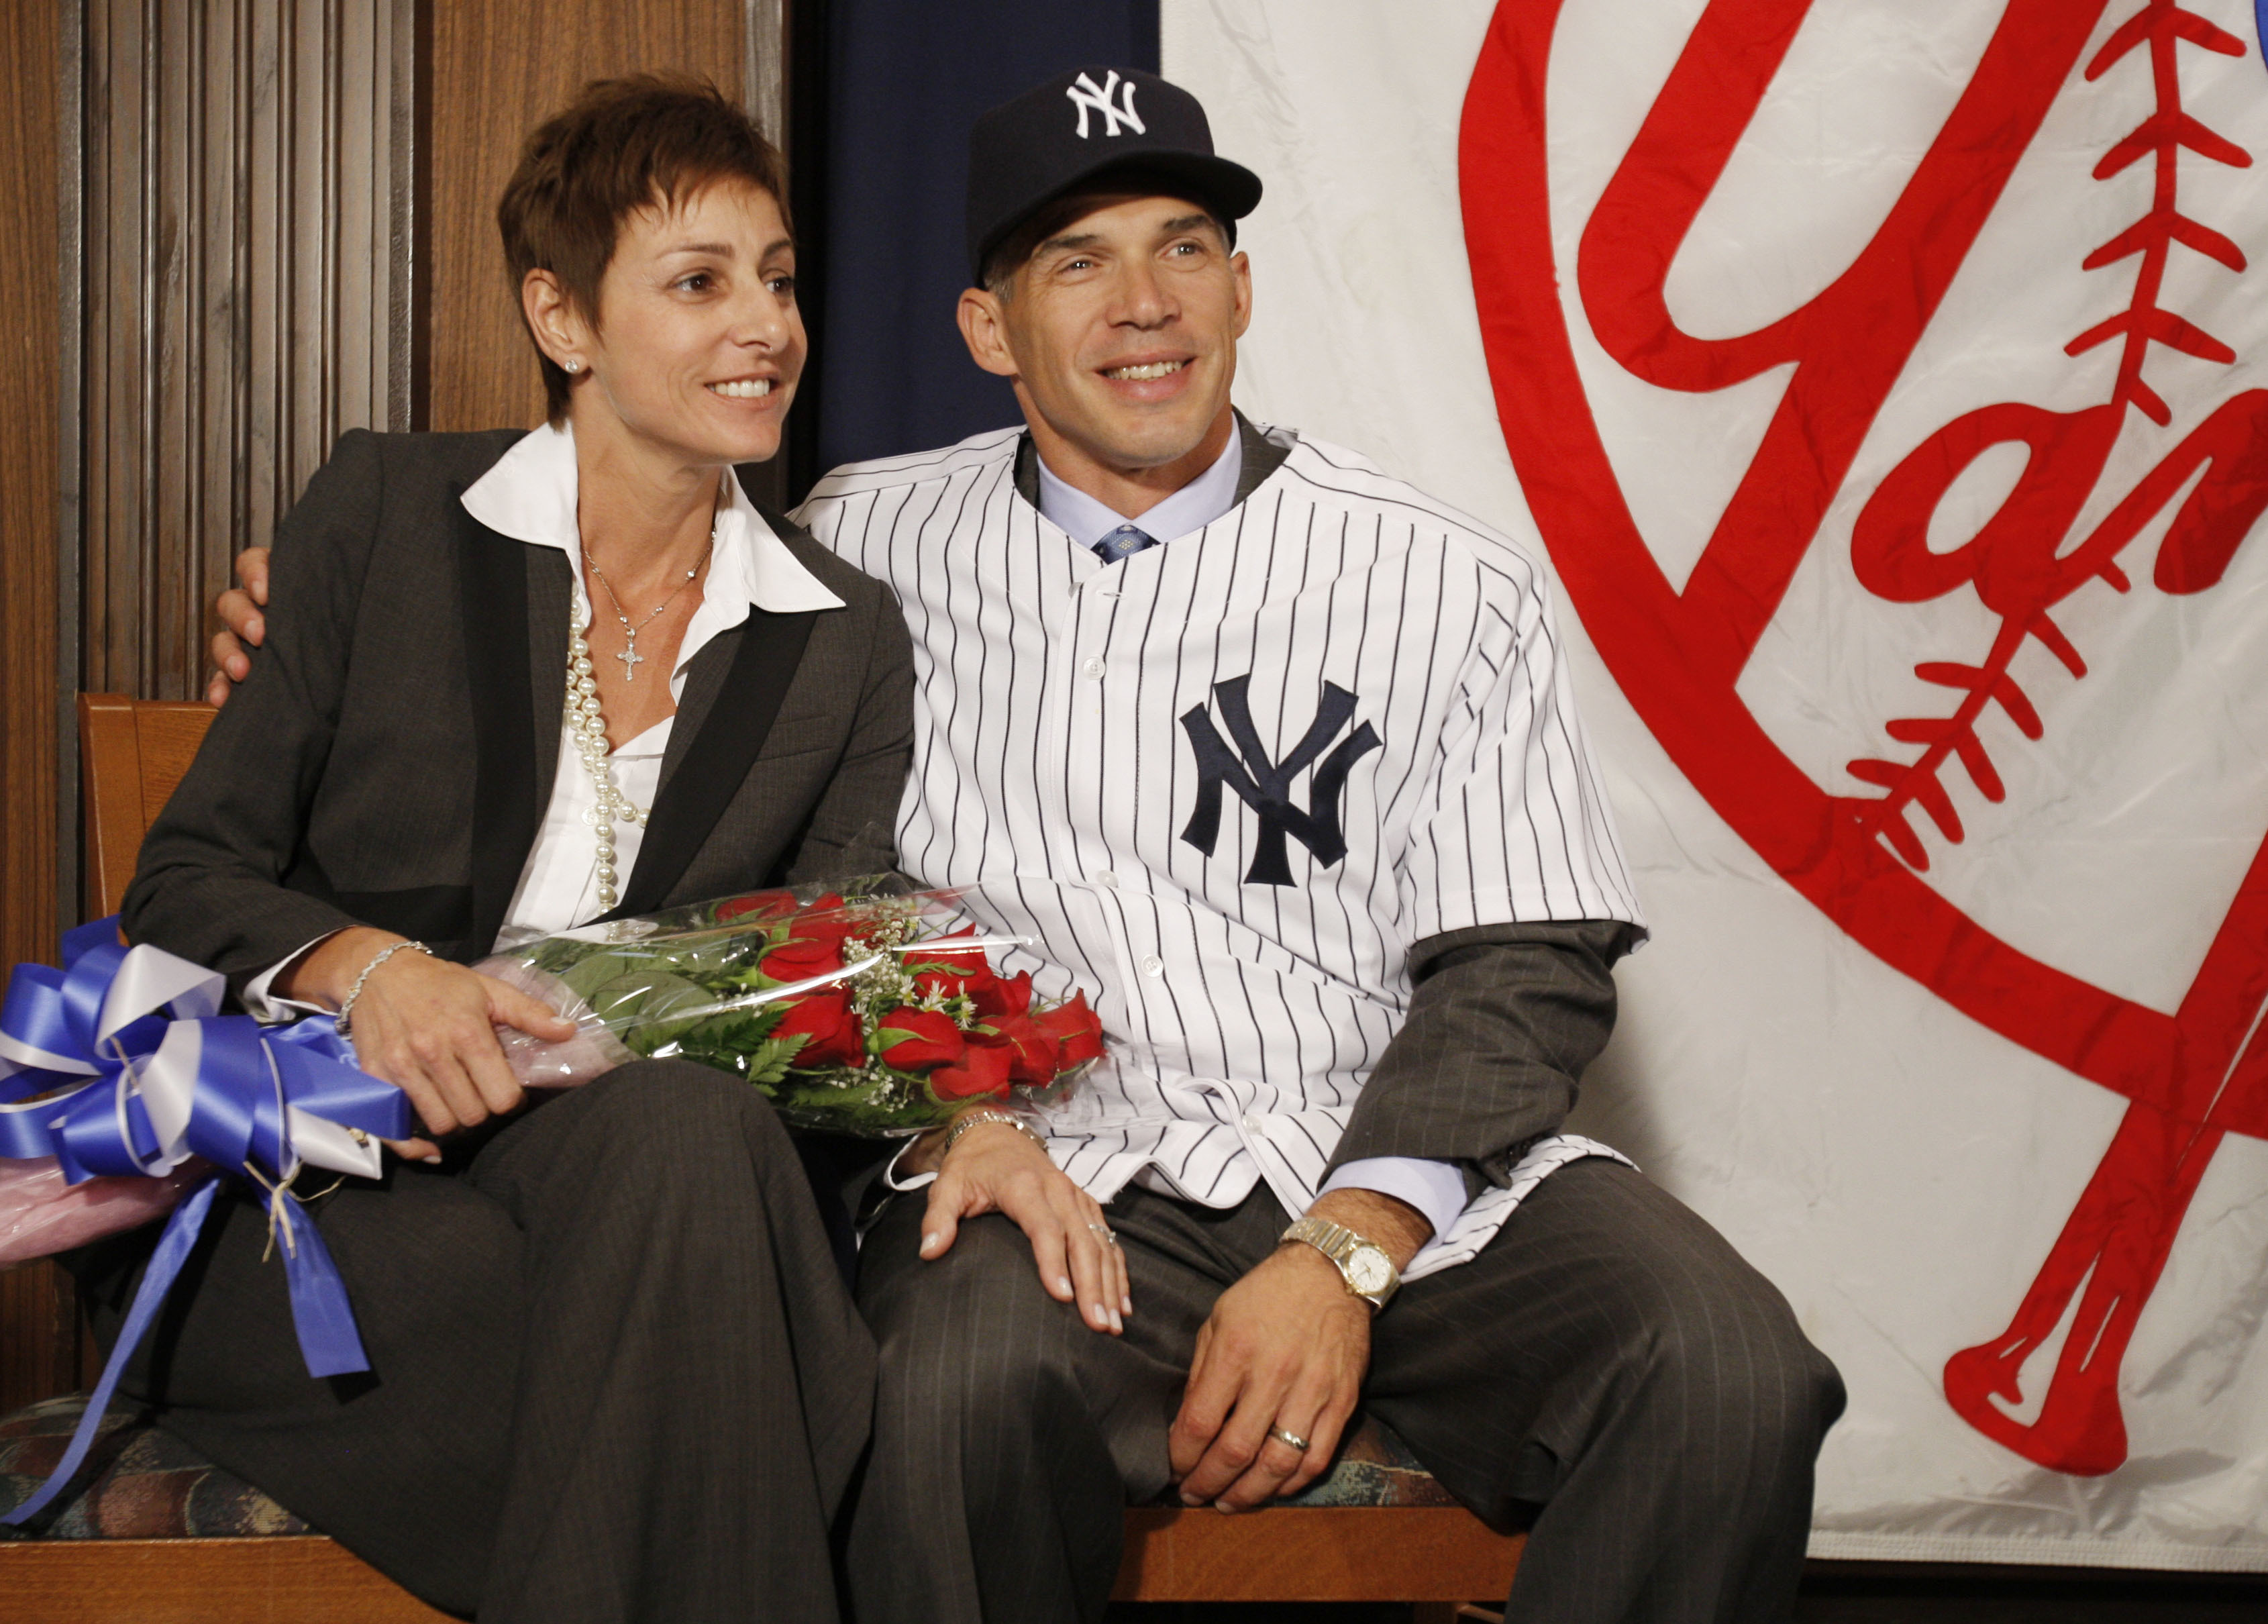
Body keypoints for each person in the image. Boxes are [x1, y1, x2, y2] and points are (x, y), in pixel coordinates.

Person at [213, 66, 1846, 1624]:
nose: (1146, 304)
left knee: (1732, 1375)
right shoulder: (855, 541)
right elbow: (609, 572)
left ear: (1242, 288)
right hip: (1049, 1169)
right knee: (947, 1399)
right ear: (987, 327)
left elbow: (1526, 960)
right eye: (1079, 260)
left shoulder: (1441, 576)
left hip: (1391, 1172)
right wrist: (312, 636)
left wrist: (1346, 1250)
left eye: (1184, 248)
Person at [85, 75, 909, 1623]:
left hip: (647, 1203)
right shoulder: (386, 515)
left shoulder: (842, 638)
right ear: (563, 316)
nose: (767, 326)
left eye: (780, 279)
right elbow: (184, 880)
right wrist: (371, 970)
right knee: (728, 1365)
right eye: (699, 281)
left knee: (686, 1145)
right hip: (320, 1202)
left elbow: (817, 1001)